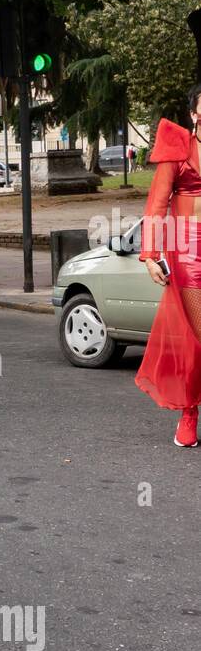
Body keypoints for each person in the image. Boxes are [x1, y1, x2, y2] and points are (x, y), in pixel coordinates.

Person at [136, 89, 201, 446]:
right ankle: (189, 411)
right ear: (194, 114)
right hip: (189, 251)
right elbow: (157, 205)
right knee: (197, 336)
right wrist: (150, 254)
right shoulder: (178, 150)